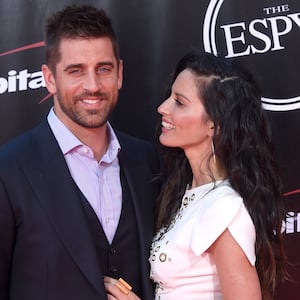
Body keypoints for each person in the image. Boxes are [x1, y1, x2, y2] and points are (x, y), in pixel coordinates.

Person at [0, 5, 160, 300]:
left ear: (120, 73)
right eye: (76, 71)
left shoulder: (146, 160)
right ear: (49, 79)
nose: (93, 86)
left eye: (104, 69)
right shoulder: (8, 169)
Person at [147, 51, 287, 300]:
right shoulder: (188, 191)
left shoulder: (223, 208)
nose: (162, 108)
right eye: (170, 96)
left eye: (179, 102)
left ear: (214, 124)